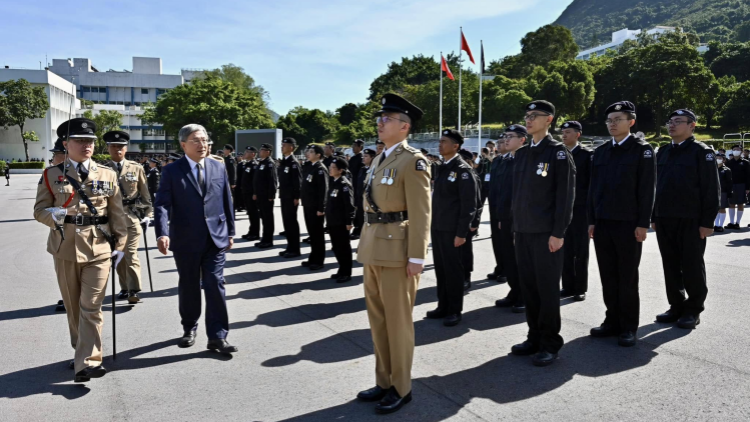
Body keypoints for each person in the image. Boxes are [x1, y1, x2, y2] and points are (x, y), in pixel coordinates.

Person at [33, 118, 128, 382]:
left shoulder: (107, 174)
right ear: (66, 144)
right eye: (80, 141)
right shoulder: (51, 175)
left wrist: (120, 246)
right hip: (65, 247)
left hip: (99, 247)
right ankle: (81, 349)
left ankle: (88, 361)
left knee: (91, 305)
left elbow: (117, 214)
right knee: (74, 307)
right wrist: (56, 215)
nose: (87, 145)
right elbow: (38, 211)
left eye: (90, 141)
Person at [356, 93, 431, 414]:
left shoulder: (412, 160)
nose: (380, 122)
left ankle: (401, 387)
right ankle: (383, 380)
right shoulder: (379, 158)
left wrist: (417, 256)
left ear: (404, 126)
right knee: (378, 321)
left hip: (398, 251)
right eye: (380, 118)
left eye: (386, 119)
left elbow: (421, 211)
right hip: (374, 247)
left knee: (398, 324)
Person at [154, 123, 238, 354]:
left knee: (214, 283)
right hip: (186, 239)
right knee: (189, 284)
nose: (202, 145)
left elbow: (226, 200)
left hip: (215, 238)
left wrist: (230, 231)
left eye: (204, 140)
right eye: (196, 141)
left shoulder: (218, 167)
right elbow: (162, 204)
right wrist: (162, 233)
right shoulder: (172, 171)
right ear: (183, 145)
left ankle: (218, 336)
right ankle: (189, 327)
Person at [510, 100, 574, 367]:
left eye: (534, 115)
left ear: (549, 120)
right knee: (529, 288)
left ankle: (549, 342)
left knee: (547, 290)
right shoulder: (523, 154)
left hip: (546, 234)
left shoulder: (558, 153)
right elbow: (519, 195)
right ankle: (534, 335)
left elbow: (565, 197)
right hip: (523, 232)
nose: (528, 119)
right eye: (527, 115)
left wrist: (558, 233)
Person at [588, 101, 656, 348]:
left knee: (627, 277)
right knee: (608, 276)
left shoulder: (642, 150)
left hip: (628, 224)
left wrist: (642, 223)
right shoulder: (602, 151)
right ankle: (612, 321)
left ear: (631, 122)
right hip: (603, 223)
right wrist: (591, 220)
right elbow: (593, 189)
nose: (612, 124)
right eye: (609, 120)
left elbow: (647, 189)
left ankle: (628, 326)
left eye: (618, 119)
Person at [652, 109, 720, 329]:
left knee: (691, 265)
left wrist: (708, 222)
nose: (672, 125)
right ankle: (676, 305)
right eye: (670, 121)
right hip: (665, 218)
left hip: (691, 219)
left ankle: (693, 309)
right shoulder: (662, 152)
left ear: (692, 126)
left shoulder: (702, 152)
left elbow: (711, 189)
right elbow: (655, 188)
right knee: (670, 264)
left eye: (678, 122)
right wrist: (653, 215)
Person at [426, 130, 477, 327]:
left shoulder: (463, 170)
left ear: (455, 146)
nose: (440, 145)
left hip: (452, 230)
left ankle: (454, 310)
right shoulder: (442, 167)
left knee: (453, 271)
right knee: (441, 268)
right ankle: (443, 305)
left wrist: (461, 233)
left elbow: (468, 205)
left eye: (444, 142)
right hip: (438, 226)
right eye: (440, 141)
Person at [106, 130, 153, 304]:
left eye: (121, 147)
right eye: (114, 146)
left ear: (126, 149)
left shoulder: (136, 168)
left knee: (131, 254)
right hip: (111, 221)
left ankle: (134, 289)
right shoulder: (101, 169)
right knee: (118, 254)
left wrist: (148, 214)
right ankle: (124, 287)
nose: (118, 150)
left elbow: (145, 194)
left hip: (132, 218)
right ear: (108, 148)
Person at [493, 127, 527, 313]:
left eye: (510, 137)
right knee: (509, 257)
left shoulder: (526, 159)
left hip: (520, 219)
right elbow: (502, 192)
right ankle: (514, 291)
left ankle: (524, 295)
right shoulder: (506, 160)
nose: (505, 140)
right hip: (505, 217)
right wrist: (500, 217)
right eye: (504, 136)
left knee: (521, 260)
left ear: (522, 139)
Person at [560, 121, 592, 302]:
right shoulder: (559, 154)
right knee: (564, 249)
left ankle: (580, 287)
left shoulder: (587, 155)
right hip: (562, 210)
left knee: (580, 251)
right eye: (562, 132)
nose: (564, 135)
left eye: (568, 132)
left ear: (578, 134)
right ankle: (567, 285)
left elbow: (590, 184)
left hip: (580, 210)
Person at [326, 158, 355, 282]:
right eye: (330, 167)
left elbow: (349, 205)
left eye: (332, 167)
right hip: (333, 221)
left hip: (341, 222)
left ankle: (346, 272)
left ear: (340, 170)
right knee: (336, 247)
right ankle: (341, 269)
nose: (330, 169)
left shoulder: (344, 185)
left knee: (343, 248)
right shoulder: (334, 182)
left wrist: (349, 221)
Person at [48, 138, 69, 313]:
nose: (53, 158)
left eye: (56, 155)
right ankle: (67, 297)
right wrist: (56, 219)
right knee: (63, 271)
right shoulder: (50, 174)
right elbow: (40, 208)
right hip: (60, 233)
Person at [300, 145, 329, 270]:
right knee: (312, 234)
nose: (308, 153)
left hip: (316, 207)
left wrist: (321, 208)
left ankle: (319, 260)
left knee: (317, 234)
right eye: (308, 151)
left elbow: (323, 190)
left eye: (311, 152)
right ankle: (313, 257)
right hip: (308, 205)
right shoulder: (310, 167)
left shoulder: (320, 169)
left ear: (318, 155)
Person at [459, 148, 483, 290]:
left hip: (467, 221)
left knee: (465, 251)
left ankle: (466, 277)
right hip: (454, 220)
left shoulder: (472, 176)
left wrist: (475, 222)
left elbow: (477, 203)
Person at [486, 135, 507, 282]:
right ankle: (499, 266)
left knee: (505, 240)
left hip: (505, 207)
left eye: (501, 142)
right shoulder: (497, 161)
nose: (499, 145)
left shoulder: (514, 160)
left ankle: (507, 270)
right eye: (498, 142)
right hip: (494, 206)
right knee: (496, 239)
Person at [278, 138, 302, 258]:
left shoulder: (294, 163)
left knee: (292, 223)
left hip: (291, 197)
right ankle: (289, 247)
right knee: (287, 223)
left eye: (284, 145)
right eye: (282, 145)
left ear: (291, 148)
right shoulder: (284, 162)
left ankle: (295, 249)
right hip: (284, 196)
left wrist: (296, 197)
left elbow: (297, 181)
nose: (282, 147)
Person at [253, 143, 278, 248]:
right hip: (260, 195)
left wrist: (271, 195)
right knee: (263, 217)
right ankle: (264, 239)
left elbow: (272, 181)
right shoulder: (262, 163)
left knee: (268, 219)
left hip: (266, 196)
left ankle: (268, 240)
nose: (260, 152)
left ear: (268, 152)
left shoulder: (270, 164)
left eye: (262, 150)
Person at [352, 148, 376, 239]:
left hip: (369, 201)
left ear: (372, 158)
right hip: (360, 200)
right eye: (363, 156)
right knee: (361, 220)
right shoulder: (362, 169)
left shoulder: (375, 170)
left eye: (366, 156)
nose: (363, 158)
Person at [724, 144, 750, 229]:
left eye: (738, 149)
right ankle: (731, 222)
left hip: (741, 185)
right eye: (734, 149)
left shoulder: (745, 162)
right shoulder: (728, 162)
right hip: (731, 185)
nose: (736, 151)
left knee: (740, 204)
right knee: (731, 203)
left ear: (741, 151)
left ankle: (737, 222)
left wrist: (747, 188)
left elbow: (748, 175)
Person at [240, 147, 260, 241]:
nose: (245, 153)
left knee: (254, 213)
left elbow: (255, 181)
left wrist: (255, 193)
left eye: (247, 152)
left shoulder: (254, 165)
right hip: (246, 192)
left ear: (252, 154)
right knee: (250, 213)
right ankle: (251, 231)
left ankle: (255, 233)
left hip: (251, 193)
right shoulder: (247, 164)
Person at [715, 153, 732, 232]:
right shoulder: (712, 169)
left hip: (723, 191)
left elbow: (729, 182)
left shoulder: (726, 170)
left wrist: (729, 192)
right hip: (714, 191)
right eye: (717, 158)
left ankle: (721, 225)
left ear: (724, 160)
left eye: (720, 158)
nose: (718, 159)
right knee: (715, 209)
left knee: (722, 208)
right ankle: (716, 224)